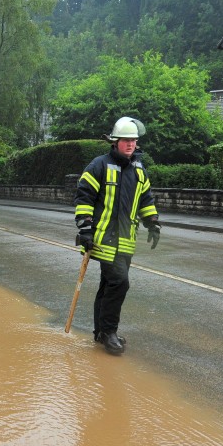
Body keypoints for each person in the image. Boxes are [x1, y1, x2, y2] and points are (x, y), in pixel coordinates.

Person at [73, 116, 161, 355]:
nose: (130, 144)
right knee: (120, 283)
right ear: (115, 142)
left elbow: (145, 199)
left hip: (125, 240)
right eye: (125, 140)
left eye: (133, 140)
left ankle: (101, 333)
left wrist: (152, 222)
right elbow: (84, 197)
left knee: (108, 285)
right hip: (102, 238)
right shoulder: (99, 165)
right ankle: (109, 332)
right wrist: (85, 229)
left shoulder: (139, 169)